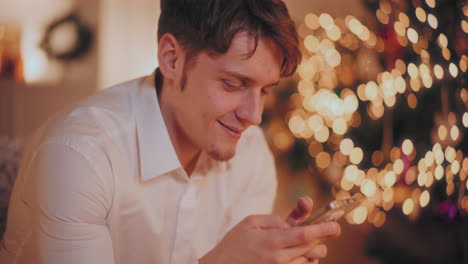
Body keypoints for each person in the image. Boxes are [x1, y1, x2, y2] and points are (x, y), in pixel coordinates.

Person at [0, 0, 341, 263]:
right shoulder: (78, 154)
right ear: (172, 59)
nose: (254, 115)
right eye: (234, 83)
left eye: (265, 90)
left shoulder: (250, 153)